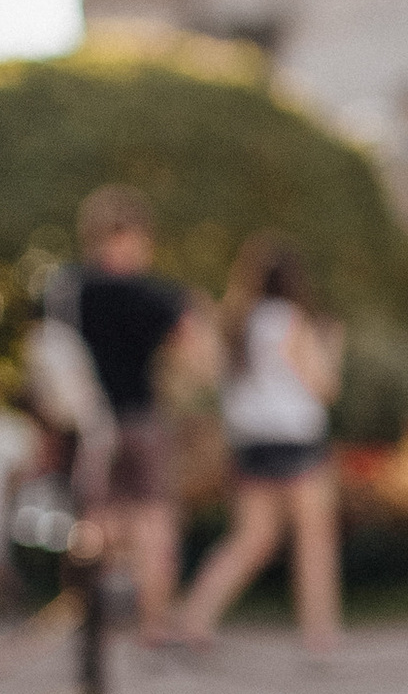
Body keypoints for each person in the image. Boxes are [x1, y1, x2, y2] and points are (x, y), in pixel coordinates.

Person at [164, 236, 344, 649]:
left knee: (252, 539)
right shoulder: (291, 320)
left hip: (252, 444)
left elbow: (207, 377)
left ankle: (196, 617)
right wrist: (332, 346)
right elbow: (323, 384)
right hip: (298, 444)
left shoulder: (235, 325)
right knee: (314, 542)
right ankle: (320, 635)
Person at [68, 186, 207, 634]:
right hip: (142, 418)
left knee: (97, 523)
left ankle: (86, 621)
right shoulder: (154, 295)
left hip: (94, 423)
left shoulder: (72, 289)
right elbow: (196, 355)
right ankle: (154, 624)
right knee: (154, 523)